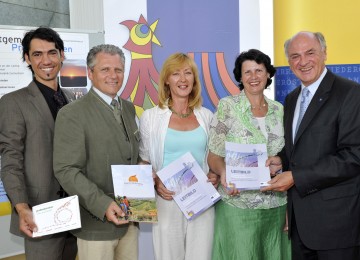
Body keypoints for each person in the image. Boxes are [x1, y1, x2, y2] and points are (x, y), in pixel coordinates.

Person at [262, 31, 360, 260]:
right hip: (300, 226)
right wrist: (281, 160)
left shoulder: (350, 93)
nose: (303, 61)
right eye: (295, 56)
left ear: (324, 53)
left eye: (310, 53)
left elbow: (354, 155)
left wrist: (296, 176)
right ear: (288, 62)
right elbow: (298, 149)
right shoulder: (292, 98)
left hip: (338, 228)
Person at [53, 44, 140, 260]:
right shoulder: (72, 113)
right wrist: (102, 204)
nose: (113, 75)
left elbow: (131, 157)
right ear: (90, 73)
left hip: (131, 220)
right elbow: (66, 169)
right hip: (97, 226)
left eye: (118, 70)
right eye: (105, 69)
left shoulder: (129, 109)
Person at [0, 27, 77, 260]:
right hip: (39, 212)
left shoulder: (73, 103)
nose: (46, 60)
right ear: (26, 58)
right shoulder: (13, 102)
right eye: (37, 54)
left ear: (62, 56)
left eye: (52, 53)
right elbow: (10, 158)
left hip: (75, 213)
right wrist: (22, 207)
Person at [208, 49, 291, 259]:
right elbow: (214, 155)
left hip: (276, 204)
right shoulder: (227, 106)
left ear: (268, 74)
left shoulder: (280, 110)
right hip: (238, 205)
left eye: (259, 70)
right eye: (247, 72)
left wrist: (280, 161)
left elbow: (289, 155)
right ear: (240, 77)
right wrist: (223, 172)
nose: (254, 77)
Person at [139, 53, 217, 260]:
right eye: (176, 74)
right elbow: (144, 161)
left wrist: (215, 176)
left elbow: (214, 158)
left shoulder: (207, 116)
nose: (183, 79)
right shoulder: (151, 117)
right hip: (167, 199)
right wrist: (155, 181)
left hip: (201, 199)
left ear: (194, 79)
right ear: (166, 80)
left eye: (188, 73)